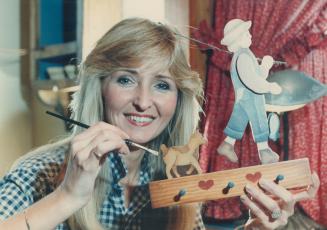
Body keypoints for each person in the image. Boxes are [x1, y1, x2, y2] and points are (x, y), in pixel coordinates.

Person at [0, 18, 320, 230]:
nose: (143, 100)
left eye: (162, 85)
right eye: (126, 79)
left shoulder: (174, 181)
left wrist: (257, 228)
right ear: (98, 87)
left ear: (178, 99)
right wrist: (68, 196)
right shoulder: (36, 174)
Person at [217, 18, 282, 164]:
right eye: (247, 34)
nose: (250, 36)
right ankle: (264, 151)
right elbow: (252, 81)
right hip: (251, 96)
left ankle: (227, 144)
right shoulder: (243, 56)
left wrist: (265, 66)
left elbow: (256, 76)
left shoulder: (245, 54)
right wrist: (270, 87)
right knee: (259, 119)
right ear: (238, 39)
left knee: (239, 119)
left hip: (245, 96)